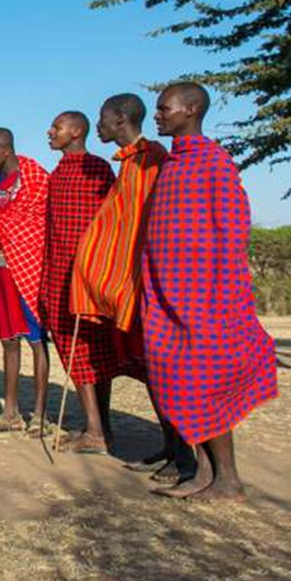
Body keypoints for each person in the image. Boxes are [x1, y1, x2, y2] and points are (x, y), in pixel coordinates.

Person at [142, 82, 277, 501]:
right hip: (167, 297)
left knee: (204, 380)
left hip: (202, 298)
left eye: (165, 109)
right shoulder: (173, 165)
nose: (158, 115)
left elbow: (233, 231)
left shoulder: (213, 163)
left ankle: (228, 480)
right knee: (175, 377)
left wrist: (210, 291)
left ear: (192, 109)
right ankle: (203, 472)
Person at [71, 94, 194, 480]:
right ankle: (170, 447)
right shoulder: (128, 163)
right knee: (150, 370)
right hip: (128, 285)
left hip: (148, 283)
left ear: (121, 119)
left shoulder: (151, 159)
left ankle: (184, 456)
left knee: (164, 370)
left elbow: (152, 224)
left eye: (103, 118)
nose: (100, 124)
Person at [40, 113, 117, 453]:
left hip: (88, 273)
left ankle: (98, 432)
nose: (50, 132)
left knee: (86, 351)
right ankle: (97, 425)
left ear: (76, 131)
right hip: (60, 273)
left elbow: (110, 221)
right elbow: (52, 231)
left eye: (56, 127)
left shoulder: (98, 169)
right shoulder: (56, 175)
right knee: (83, 350)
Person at [0, 128, 51, 436]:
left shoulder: (34, 176)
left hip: (30, 266)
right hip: (1, 268)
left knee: (36, 341)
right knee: (9, 340)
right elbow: (0, 219)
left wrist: (5, 228)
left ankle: (40, 414)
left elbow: (38, 220)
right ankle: (10, 412)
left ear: (6, 150)